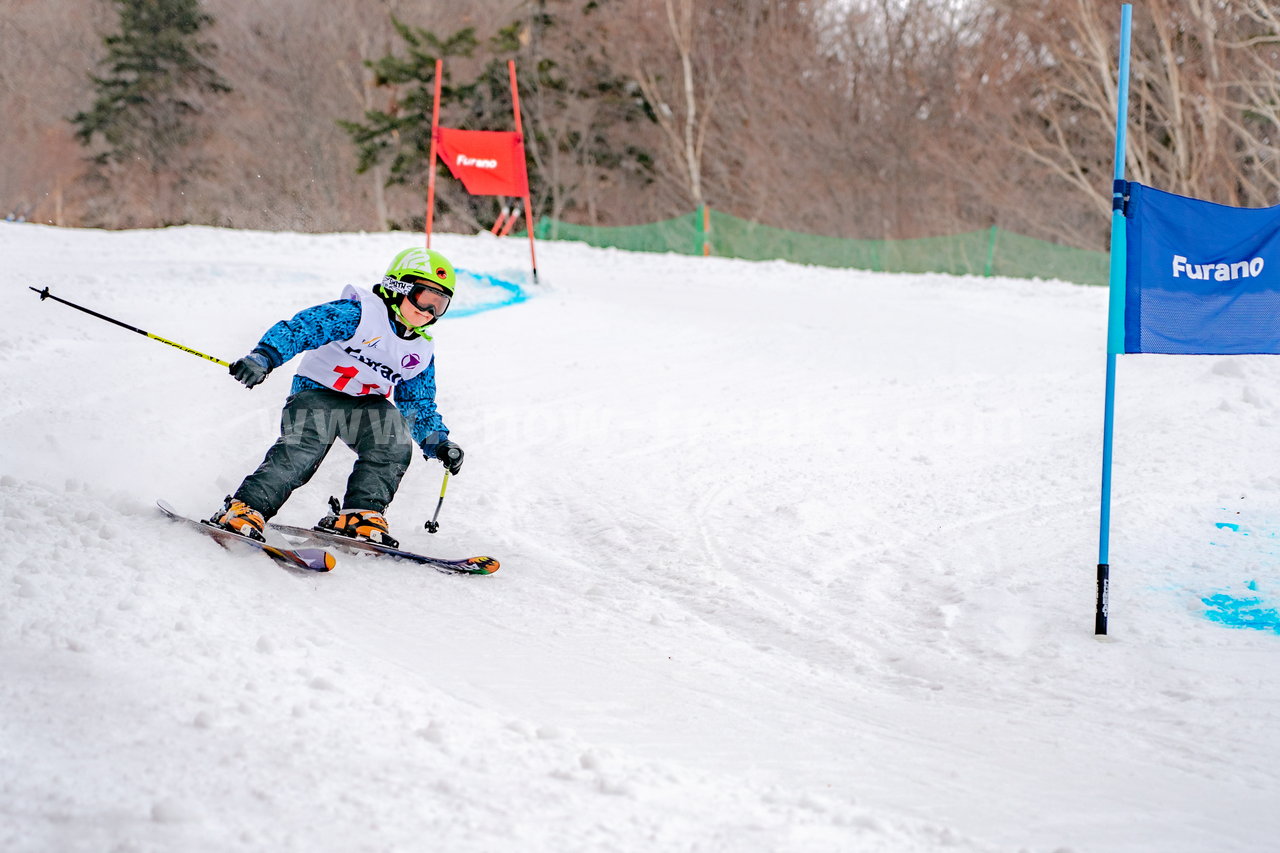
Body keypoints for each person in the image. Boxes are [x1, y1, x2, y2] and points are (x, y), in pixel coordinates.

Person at [210, 247, 465, 548]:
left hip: (366, 407)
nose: (429, 312)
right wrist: (264, 356)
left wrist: (438, 442)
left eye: (440, 305)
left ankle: (361, 514)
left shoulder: (419, 350)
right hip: (317, 393)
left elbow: (417, 404)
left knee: (393, 440)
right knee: (303, 450)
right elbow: (302, 328)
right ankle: (245, 507)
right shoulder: (359, 314)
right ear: (399, 287)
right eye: (425, 298)